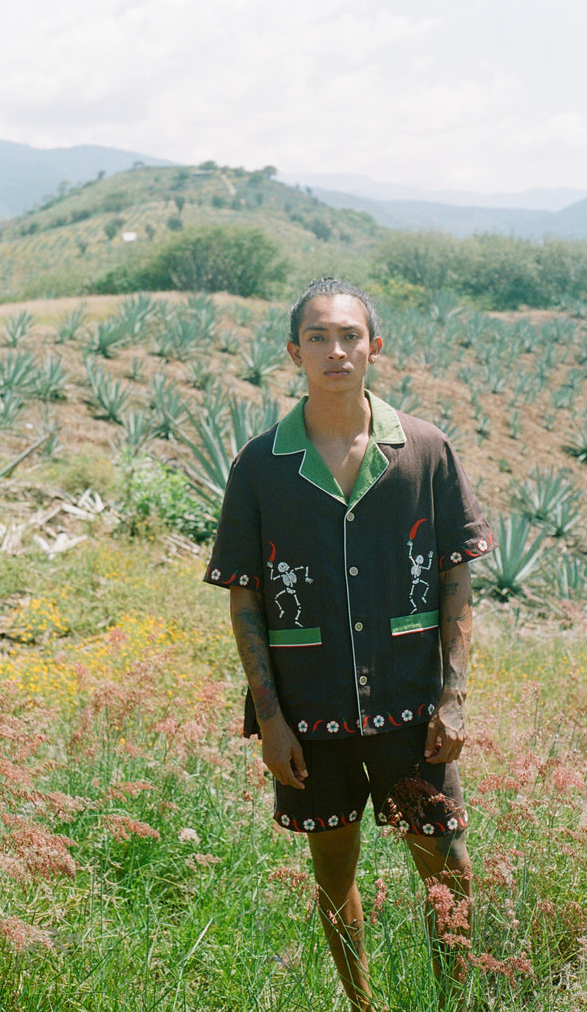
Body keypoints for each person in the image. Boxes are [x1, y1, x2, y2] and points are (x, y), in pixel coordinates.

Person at [204, 278, 496, 1011]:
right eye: (317, 337)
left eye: (349, 336)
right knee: (333, 868)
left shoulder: (424, 450)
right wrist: (269, 719)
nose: (334, 351)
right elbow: (245, 595)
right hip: (311, 711)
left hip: (410, 706)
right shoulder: (260, 463)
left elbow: (456, 578)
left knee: (447, 865)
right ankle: (362, 1005)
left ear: (374, 346)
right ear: (293, 350)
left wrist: (453, 698)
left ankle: (453, 1001)